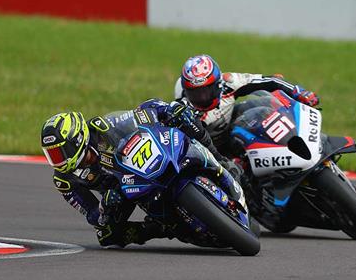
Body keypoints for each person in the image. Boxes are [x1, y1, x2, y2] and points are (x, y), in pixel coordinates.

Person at [40, 100, 244, 248]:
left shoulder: (101, 128)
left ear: (76, 141)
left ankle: (220, 161)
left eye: (59, 153)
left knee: (183, 116)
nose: (57, 161)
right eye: (51, 155)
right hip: (123, 193)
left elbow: (140, 113)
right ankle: (161, 229)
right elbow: (92, 215)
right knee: (107, 237)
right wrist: (104, 207)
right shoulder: (64, 181)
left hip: (143, 164)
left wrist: (165, 109)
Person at [173, 54, 320, 155]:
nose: (202, 98)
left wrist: (298, 92)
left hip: (231, 131)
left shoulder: (229, 82)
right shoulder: (185, 109)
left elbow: (270, 81)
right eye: (195, 93)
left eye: (206, 91)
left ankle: (304, 142)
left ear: (218, 84)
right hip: (211, 153)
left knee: (260, 105)